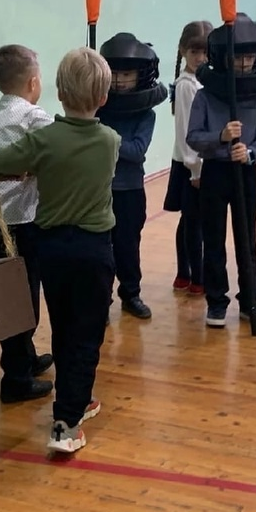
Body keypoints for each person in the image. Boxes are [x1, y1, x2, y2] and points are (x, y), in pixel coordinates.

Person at [0, 48, 119, 455]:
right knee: (87, 335)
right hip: (94, 250)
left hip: (53, 250)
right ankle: (65, 423)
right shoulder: (110, 141)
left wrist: (28, 165)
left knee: (63, 329)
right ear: (104, 98)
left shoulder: (42, 140)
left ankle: (78, 401)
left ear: (58, 92)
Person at [186, 15, 256, 329]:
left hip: (245, 173)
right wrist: (221, 137)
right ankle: (216, 302)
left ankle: (250, 301)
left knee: (247, 240)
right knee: (213, 239)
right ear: (223, 57)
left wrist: (250, 153)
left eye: (250, 57)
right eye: (239, 57)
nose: (245, 63)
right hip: (215, 172)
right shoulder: (205, 96)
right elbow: (193, 137)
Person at [0, 44, 55, 403]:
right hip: (21, 224)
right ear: (34, 82)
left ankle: (25, 359)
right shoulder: (32, 116)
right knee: (23, 301)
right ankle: (16, 379)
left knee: (10, 297)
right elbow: (59, 142)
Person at [98, 33, 166, 320]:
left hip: (130, 189)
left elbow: (137, 151)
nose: (119, 80)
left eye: (126, 74)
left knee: (128, 245)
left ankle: (131, 293)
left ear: (139, 75)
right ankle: (102, 298)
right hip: (100, 190)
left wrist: (104, 137)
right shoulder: (98, 109)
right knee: (101, 248)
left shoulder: (145, 115)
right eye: (114, 74)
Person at [165, 21, 213, 295]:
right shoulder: (186, 86)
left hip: (197, 162)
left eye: (205, 52)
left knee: (190, 220)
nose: (200, 58)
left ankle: (184, 274)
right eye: (194, 51)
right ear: (183, 51)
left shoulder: (202, 80)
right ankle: (196, 278)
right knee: (194, 222)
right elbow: (186, 132)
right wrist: (196, 169)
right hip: (191, 164)